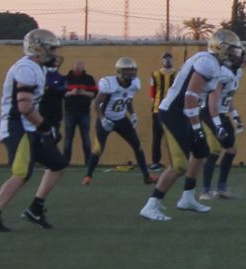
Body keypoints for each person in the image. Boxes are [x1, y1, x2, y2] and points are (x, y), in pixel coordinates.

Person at [139, 29, 243, 221]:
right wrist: (197, 129)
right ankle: (151, 204)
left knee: (201, 152)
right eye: (230, 50)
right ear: (219, 48)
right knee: (179, 165)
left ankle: (187, 198)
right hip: (174, 113)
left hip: (186, 113)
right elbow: (189, 97)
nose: (233, 54)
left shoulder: (214, 64)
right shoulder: (207, 63)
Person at [0, 30, 70, 232]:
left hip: (30, 125)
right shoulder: (26, 68)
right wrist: (46, 127)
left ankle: (35, 208)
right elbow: (23, 107)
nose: (55, 53)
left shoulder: (38, 68)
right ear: (39, 48)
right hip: (17, 126)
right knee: (22, 173)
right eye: (52, 48)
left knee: (58, 164)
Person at [84, 57, 154, 185]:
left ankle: (146, 176)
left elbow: (128, 98)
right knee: (98, 149)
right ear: (120, 71)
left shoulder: (134, 84)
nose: (132, 72)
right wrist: (102, 119)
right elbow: (96, 103)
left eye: (133, 69)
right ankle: (88, 176)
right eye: (129, 70)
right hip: (107, 119)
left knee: (137, 146)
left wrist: (132, 114)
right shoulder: (109, 84)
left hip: (122, 119)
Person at [201, 54, 245, 199]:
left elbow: (228, 98)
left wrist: (236, 116)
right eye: (239, 57)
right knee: (214, 150)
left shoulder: (236, 73)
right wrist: (218, 124)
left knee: (231, 150)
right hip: (210, 114)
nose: (243, 60)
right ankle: (205, 191)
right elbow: (212, 101)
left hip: (222, 114)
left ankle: (220, 188)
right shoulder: (222, 73)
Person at [60, 60, 97, 166]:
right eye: (76, 69)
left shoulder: (89, 79)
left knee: (86, 138)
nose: (78, 71)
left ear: (83, 69)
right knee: (68, 138)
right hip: (69, 111)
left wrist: (83, 92)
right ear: (73, 68)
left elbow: (94, 94)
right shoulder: (66, 79)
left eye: (80, 69)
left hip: (84, 111)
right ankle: (65, 162)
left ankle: (88, 162)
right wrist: (71, 93)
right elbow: (61, 94)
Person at [148, 52, 177, 172]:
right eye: (165, 59)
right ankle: (155, 162)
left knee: (174, 137)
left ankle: (175, 161)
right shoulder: (155, 74)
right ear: (162, 60)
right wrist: (156, 104)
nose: (167, 61)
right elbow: (152, 93)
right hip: (158, 110)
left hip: (173, 110)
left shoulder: (178, 74)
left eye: (169, 59)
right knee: (157, 137)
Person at [38, 63, 67, 143]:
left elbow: (64, 89)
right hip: (43, 111)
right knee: (42, 136)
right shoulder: (41, 77)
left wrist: (50, 88)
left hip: (55, 112)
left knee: (55, 136)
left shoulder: (62, 78)